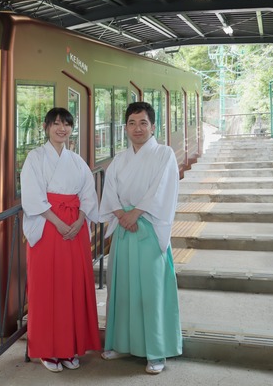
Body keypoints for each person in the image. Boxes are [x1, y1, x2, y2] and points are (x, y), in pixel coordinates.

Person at [99, 101, 182, 374]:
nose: (137, 128)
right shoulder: (120, 159)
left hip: (149, 227)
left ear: (153, 126)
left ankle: (156, 352)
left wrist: (134, 214)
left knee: (151, 291)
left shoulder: (164, 154)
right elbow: (109, 189)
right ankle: (119, 342)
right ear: (125, 127)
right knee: (120, 289)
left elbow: (162, 189)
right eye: (132, 123)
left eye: (143, 123)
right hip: (124, 229)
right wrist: (122, 215)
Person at [20, 107, 101, 373]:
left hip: (74, 230)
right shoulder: (35, 157)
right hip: (47, 227)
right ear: (46, 127)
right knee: (46, 288)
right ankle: (47, 350)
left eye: (66, 124)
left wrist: (78, 222)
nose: (61, 128)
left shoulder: (76, 161)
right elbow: (32, 196)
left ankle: (69, 348)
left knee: (72, 287)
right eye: (56, 124)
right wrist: (59, 222)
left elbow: (88, 195)